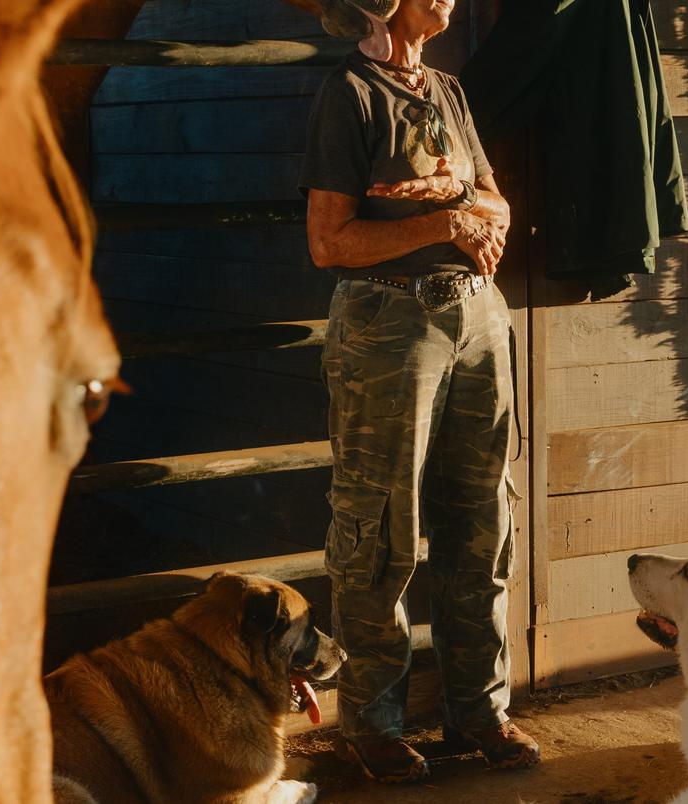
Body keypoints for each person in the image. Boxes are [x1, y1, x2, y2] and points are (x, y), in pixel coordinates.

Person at [298, 0, 540, 783]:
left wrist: (459, 208)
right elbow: (331, 241)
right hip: (388, 323)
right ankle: (372, 726)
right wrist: (445, 222)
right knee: (380, 529)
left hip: (478, 318)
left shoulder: (447, 89)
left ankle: (481, 711)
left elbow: (495, 201)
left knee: (483, 522)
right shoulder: (352, 94)